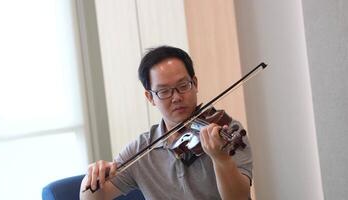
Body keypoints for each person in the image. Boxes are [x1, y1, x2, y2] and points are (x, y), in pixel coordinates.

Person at [80, 45, 253, 200]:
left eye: (183, 85)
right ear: (150, 97)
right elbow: (94, 198)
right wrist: (91, 178)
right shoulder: (142, 150)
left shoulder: (226, 130)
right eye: (164, 91)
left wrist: (221, 159)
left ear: (195, 83)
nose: (177, 97)